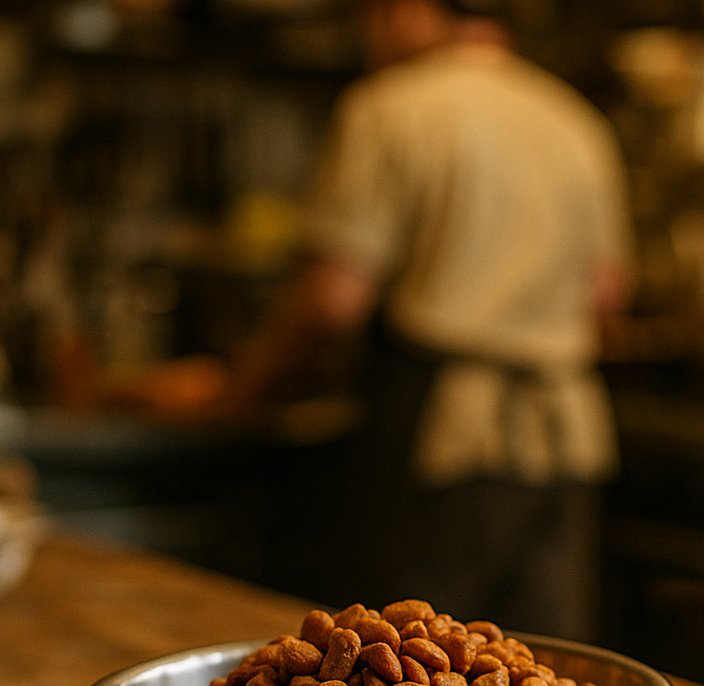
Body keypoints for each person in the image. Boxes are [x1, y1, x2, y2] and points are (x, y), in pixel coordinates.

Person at [136, 0, 634, 640]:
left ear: (414, 12)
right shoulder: (576, 122)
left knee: (411, 671)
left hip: (441, 433)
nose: (369, 31)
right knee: (545, 678)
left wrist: (248, 391)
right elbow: (606, 297)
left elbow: (331, 302)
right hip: (564, 433)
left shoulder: (392, 106)